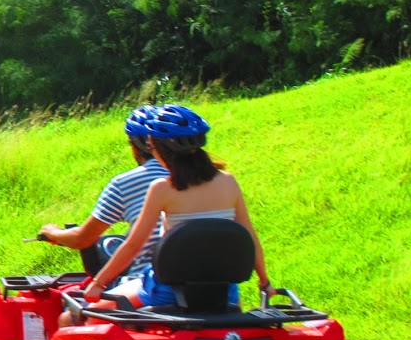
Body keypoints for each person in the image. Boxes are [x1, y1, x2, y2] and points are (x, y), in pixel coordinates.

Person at [82, 104, 270, 309]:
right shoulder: (228, 182)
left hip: (169, 290)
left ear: (162, 150)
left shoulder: (163, 188)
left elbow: (133, 245)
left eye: (152, 148)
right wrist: (264, 282)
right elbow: (250, 237)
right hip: (225, 292)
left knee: (88, 313)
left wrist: (98, 283)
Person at [40, 104, 167, 280]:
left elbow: (82, 239)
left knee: (76, 304)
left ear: (136, 147)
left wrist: (53, 233)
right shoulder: (209, 178)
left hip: (151, 282)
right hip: (213, 281)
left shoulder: (125, 183)